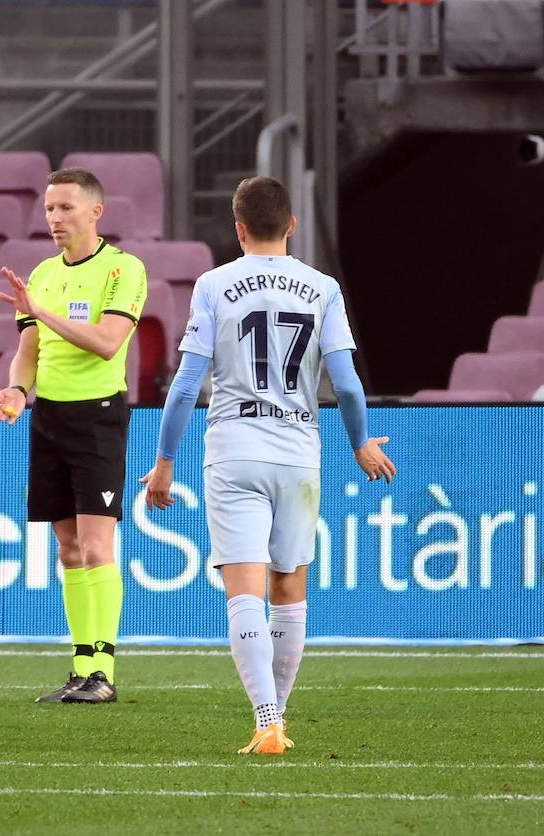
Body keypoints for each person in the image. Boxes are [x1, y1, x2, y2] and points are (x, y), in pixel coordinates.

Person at [140, 176, 394, 755]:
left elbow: (184, 387)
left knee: (244, 593)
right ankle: (277, 717)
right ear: (292, 226)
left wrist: (163, 462)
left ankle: (265, 720)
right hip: (299, 452)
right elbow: (348, 386)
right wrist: (359, 444)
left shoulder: (213, 284)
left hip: (234, 448)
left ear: (237, 228)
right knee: (289, 587)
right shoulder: (322, 287)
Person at [0, 167, 147, 705]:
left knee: (97, 544)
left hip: (98, 417)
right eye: (49, 209)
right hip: (49, 418)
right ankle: (81, 667)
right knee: (68, 548)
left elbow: (107, 342)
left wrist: (42, 310)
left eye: (66, 208)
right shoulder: (40, 275)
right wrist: (15, 390)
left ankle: (103, 671)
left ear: (95, 212)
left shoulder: (122, 270)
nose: (55, 218)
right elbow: (29, 352)